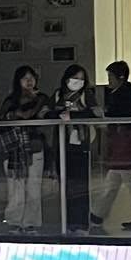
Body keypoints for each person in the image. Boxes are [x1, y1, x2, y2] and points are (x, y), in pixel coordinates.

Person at [93, 62, 131, 232]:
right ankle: (98, 213)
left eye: (110, 76)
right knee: (116, 179)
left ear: (120, 77)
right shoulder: (126, 93)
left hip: (124, 143)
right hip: (125, 142)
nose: (109, 80)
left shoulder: (121, 95)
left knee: (126, 179)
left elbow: (117, 117)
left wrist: (103, 116)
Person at [0, 66, 52, 233]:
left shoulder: (42, 98)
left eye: (32, 78)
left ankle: (31, 223)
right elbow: (3, 120)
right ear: (18, 81)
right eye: (25, 78)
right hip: (14, 149)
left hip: (35, 146)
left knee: (34, 186)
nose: (29, 81)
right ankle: (14, 221)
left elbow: (39, 117)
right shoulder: (10, 101)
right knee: (15, 187)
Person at [54, 64, 101, 235]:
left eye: (81, 79)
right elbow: (48, 113)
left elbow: (96, 114)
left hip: (81, 145)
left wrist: (73, 116)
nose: (78, 81)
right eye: (75, 78)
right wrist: (61, 115)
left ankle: (81, 224)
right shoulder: (58, 95)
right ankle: (68, 222)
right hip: (62, 144)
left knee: (81, 186)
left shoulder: (87, 95)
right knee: (66, 185)